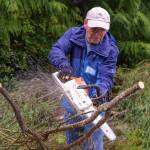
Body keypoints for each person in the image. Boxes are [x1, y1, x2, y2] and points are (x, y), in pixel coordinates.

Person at [48, 6, 119, 150]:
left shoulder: (111, 49)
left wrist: (98, 93)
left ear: (107, 30)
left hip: (95, 102)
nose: (98, 34)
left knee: (93, 142)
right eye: (94, 29)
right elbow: (56, 50)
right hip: (72, 97)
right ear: (86, 23)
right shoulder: (74, 35)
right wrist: (64, 66)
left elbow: (106, 77)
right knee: (73, 141)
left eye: (102, 31)